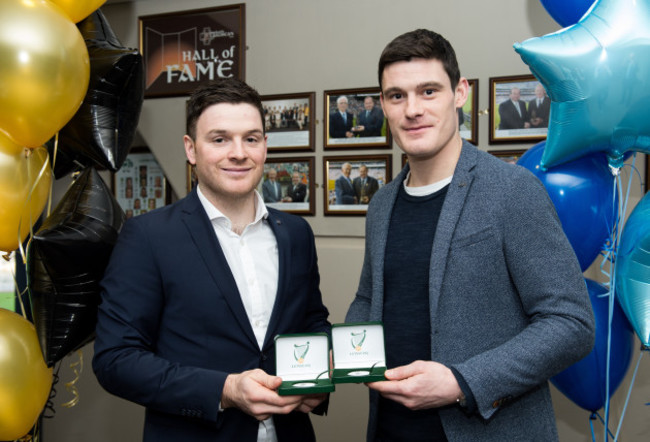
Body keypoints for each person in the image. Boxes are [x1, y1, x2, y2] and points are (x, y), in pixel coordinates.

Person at [345, 28, 595, 441]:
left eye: (428, 91)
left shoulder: (512, 190)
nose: (412, 110)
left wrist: (461, 381)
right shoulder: (382, 204)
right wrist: (338, 356)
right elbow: (370, 298)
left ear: (459, 93)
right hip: (392, 428)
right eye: (396, 96)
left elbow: (570, 324)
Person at [93, 78, 331, 442]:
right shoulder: (148, 237)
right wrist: (226, 390)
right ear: (191, 149)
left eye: (251, 138)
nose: (238, 153)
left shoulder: (295, 233)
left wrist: (320, 380)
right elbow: (116, 360)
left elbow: (313, 322)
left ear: (265, 147)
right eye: (220, 139)